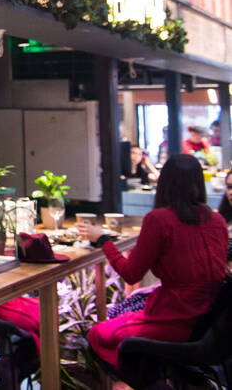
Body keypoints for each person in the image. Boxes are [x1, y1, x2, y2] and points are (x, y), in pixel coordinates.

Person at [76, 154, 227, 372]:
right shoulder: (217, 220)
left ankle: (153, 380)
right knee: (123, 314)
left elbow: (131, 274)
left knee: (97, 334)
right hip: (207, 324)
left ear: (165, 183)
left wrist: (103, 240)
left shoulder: (159, 220)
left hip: (173, 318)